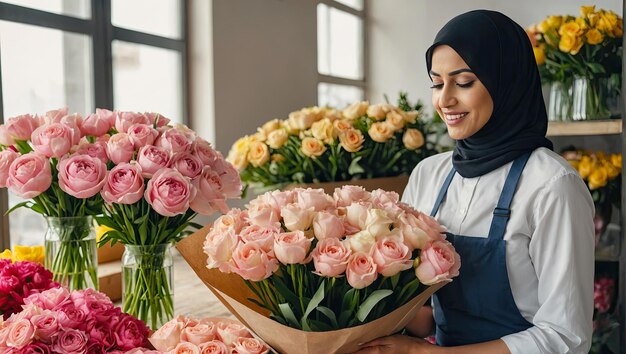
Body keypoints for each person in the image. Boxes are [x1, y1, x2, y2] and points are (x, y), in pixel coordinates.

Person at [354, 9, 594, 354]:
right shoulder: (429, 174)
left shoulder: (553, 185)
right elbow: (431, 314)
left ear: (505, 81)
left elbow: (566, 337)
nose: (444, 99)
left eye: (464, 82)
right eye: (437, 83)